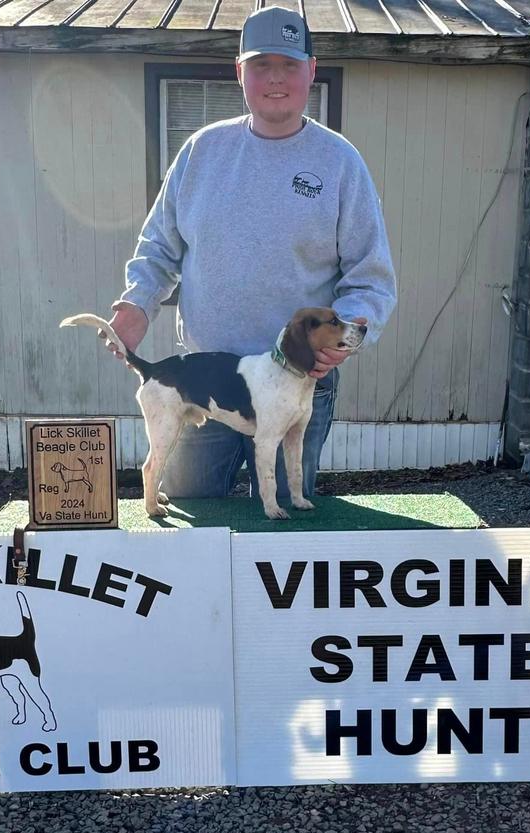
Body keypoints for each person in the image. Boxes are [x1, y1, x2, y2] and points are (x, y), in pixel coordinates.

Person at [96, 6, 397, 502]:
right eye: (261, 65)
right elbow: (159, 248)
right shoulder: (201, 152)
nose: (275, 79)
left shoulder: (341, 163)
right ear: (239, 72)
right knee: (192, 514)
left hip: (298, 378)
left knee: (282, 519)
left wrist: (346, 334)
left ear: (311, 70)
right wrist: (138, 304)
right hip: (203, 379)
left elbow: (371, 277)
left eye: (289, 65)